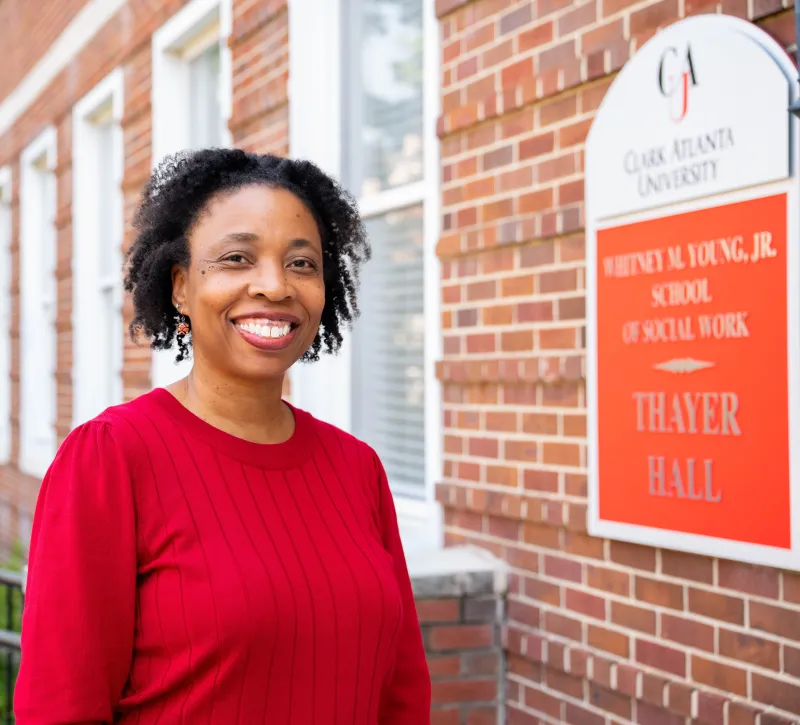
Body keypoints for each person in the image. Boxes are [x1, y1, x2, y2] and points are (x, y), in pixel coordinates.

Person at [14, 149, 432, 724]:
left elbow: (402, 693)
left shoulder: (356, 467)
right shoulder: (112, 457)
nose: (274, 286)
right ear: (181, 287)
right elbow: (62, 707)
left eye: (302, 264)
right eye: (237, 258)